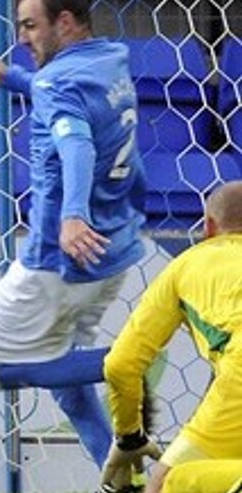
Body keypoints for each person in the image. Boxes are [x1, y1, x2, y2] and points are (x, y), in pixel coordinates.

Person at [0, 0, 147, 470]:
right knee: (66, 384)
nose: (21, 37)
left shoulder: (56, 82)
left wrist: (72, 216)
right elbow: (69, 100)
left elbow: (76, 143)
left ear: (64, 22)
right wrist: (13, 78)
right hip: (113, 251)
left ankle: (121, 362)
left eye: (29, 25)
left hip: (58, 261)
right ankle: (123, 477)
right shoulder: (110, 60)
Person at [99, 181, 242, 493]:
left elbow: (121, 365)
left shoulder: (186, 266)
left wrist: (129, 436)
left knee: (166, 484)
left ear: (209, 226)